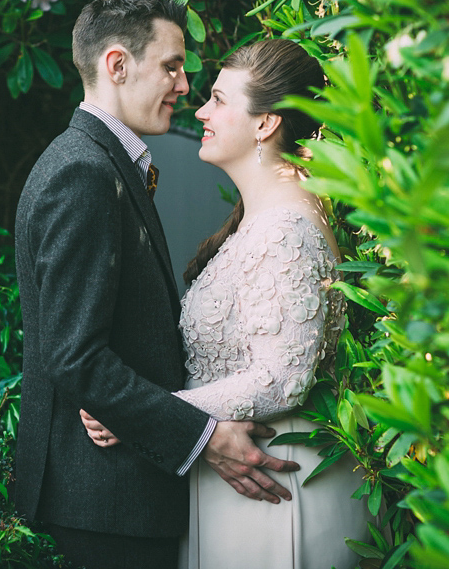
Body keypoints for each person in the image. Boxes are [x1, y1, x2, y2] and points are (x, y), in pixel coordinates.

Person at [13, 0, 301, 569]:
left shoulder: (103, 163)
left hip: (117, 494)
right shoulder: (83, 173)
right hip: (103, 499)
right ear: (117, 65)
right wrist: (204, 435)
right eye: (171, 66)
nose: (184, 86)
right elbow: (77, 358)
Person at [82, 39, 371, 568]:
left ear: (265, 124)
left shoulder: (285, 229)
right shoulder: (262, 219)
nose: (201, 110)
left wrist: (143, 413)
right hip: (242, 477)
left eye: (218, 99)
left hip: (277, 487)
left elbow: (281, 377)